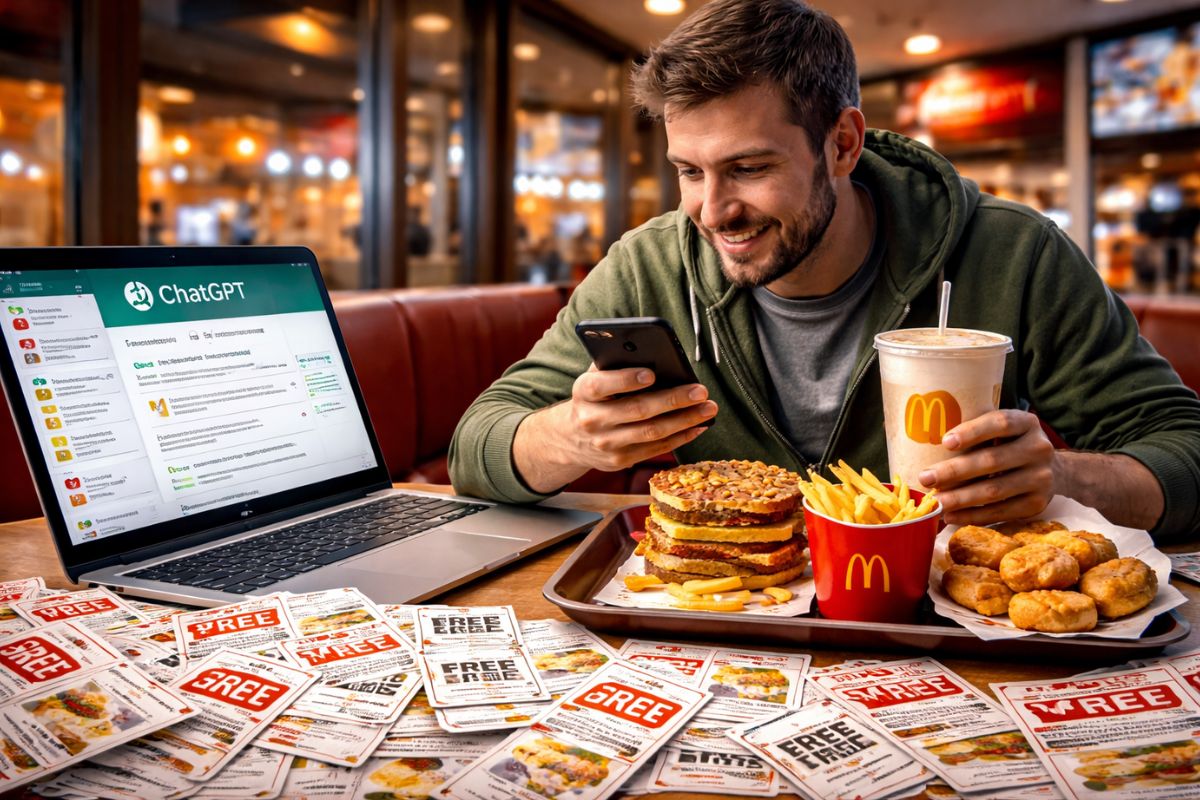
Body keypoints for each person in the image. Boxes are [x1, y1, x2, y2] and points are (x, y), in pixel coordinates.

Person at [449, 0, 1200, 539]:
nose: (712, 211)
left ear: (842, 145)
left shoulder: (1014, 255)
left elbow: (1183, 446)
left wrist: (1064, 482)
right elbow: (475, 448)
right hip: (733, 631)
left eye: (747, 168)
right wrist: (572, 437)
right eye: (689, 171)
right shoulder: (649, 264)